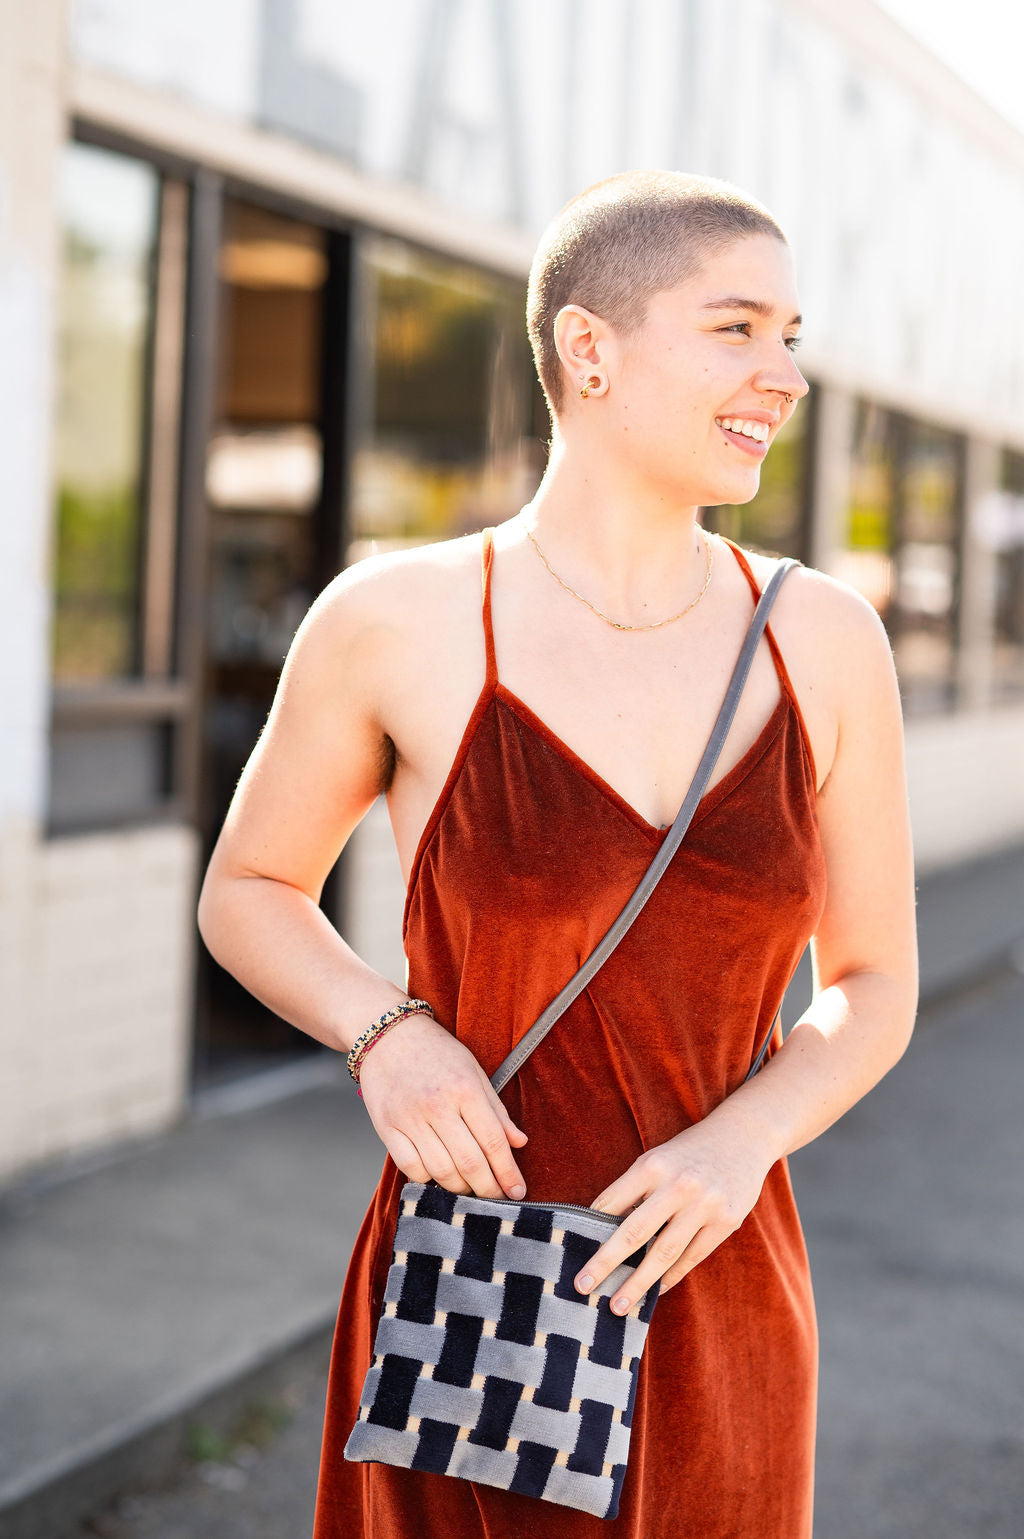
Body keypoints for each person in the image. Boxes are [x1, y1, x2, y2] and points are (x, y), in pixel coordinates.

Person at [197, 169, 919, 1537]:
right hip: (479, 1293)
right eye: (738, 329)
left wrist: (744, 1142)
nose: (785, 375)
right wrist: (385, 1034)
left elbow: (874, 980)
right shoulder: (398, 620)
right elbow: (248, 888)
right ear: (589, 347)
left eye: (793, 337)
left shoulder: (823, 639)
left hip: (720, 1283)